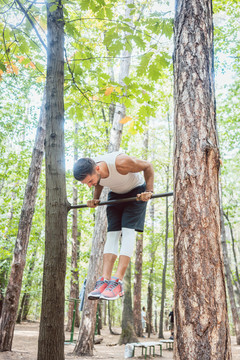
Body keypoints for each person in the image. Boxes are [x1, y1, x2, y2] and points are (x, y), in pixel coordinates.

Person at [73, 151, 154, 301]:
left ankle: (117, 282)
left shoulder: (120, 163)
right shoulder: (94, 170)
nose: (90, 185)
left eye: (90, 181)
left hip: (136, 192)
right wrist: (95, 198)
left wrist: (149, 191)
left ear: (97, 169)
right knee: (112, 234)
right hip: (116, 195)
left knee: (127, 230)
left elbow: (148, 166)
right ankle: (105, 280)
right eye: (87, 184)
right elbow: (99, 182)